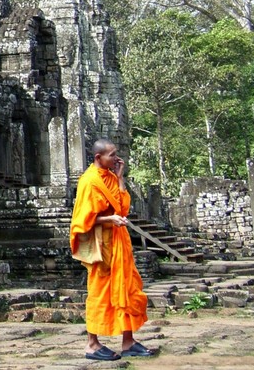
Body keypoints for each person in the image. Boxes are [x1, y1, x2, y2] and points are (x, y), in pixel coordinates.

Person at [70, 139, 156, 361]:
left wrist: (120, 177)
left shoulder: (109, 177)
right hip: (102, 246)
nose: (116, 159)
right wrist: (109, 218)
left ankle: (128, 341)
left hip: (119, 243)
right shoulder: (89, 182)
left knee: (127, 290)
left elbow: (123, 207)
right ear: (98, 158)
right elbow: (82, 220)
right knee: (99, 294)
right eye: (112, 155)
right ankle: (92, 344)